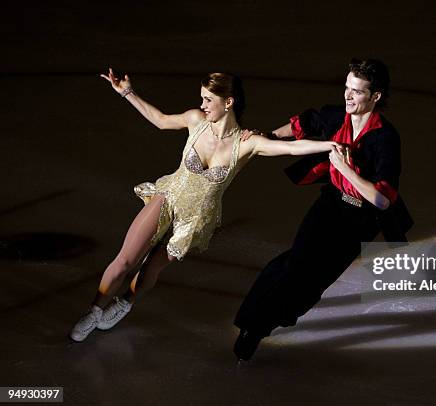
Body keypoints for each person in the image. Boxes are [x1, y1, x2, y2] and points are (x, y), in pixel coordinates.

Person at [69, 68, 341, 342]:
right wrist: (127, 92)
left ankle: (124, 303)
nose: (202, 104)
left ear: (228, 102)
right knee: (126, 259)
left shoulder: (245, 143)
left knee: (151, 269)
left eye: (208, 99)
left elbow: (291, 148)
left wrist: (328, 146)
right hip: (168, 198)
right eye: (202, 98)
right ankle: (93, 312)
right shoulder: (196, 120)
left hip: (196, 219)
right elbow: (161, 120)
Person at [233, 58, 413, 360]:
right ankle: (253, 326)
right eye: (346, 88)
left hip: (361, 220)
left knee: (314, 282)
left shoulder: (385, 138)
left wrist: (345, 169)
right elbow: (302, 125)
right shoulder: (335, 117)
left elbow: (383, 199)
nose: (348, 96)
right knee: (294, 264)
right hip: (331, 205)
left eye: (356, 92)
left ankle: (273, 319)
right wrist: (266, 137)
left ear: (375, 96)